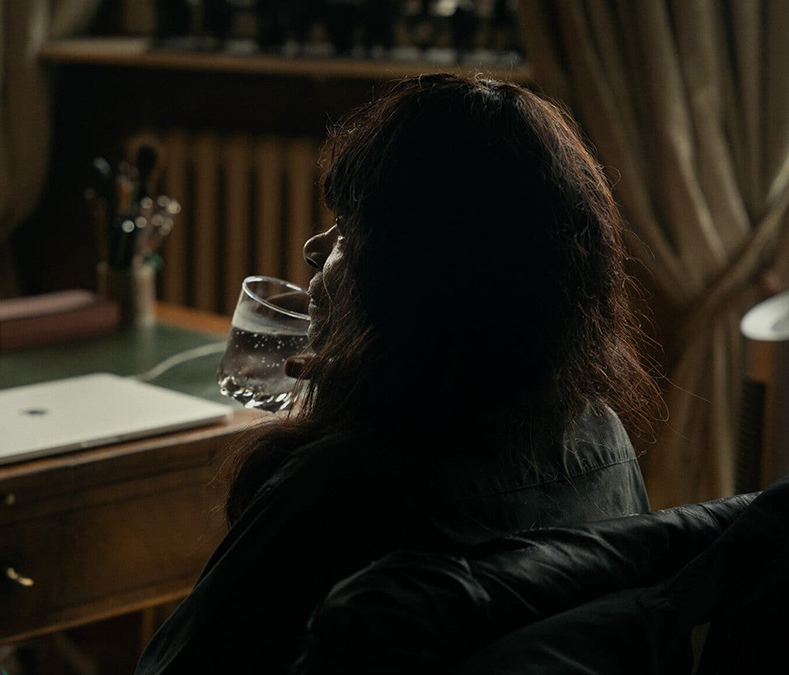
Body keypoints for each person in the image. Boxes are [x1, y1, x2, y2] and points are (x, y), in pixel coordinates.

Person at [135, 73, 662, 674]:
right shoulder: (606, 441)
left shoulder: (334, 492)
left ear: (401, 287)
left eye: (350, 230)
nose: (316, 246)